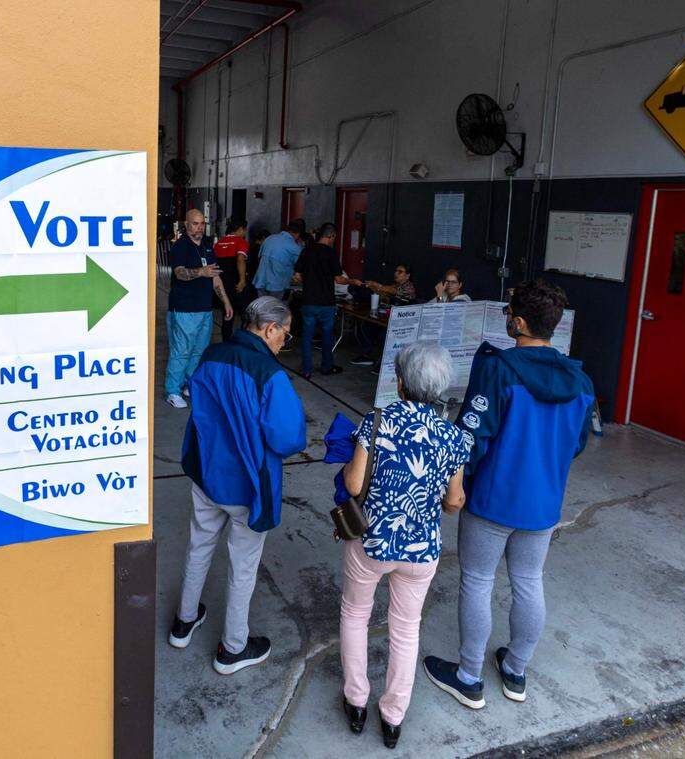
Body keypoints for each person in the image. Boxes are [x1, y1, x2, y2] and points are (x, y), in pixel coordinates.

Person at [423, 280, 594, 710]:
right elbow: (577, 445)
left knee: (478, 581)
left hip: (493, 500)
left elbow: (471, 440)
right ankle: (516, 670)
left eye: (508, 315)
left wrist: (454, 483)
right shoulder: (582, 381)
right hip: (543, 505)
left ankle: (469, 677)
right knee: (529, 581)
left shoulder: (499, 370)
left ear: (517, 322)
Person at [339, 341, 471, 749]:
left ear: (399, 383)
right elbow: (454, 501)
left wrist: (346, 462)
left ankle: (356, 700)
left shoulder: (376, 423)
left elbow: (354, 485)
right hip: (421, 550)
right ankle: (393, 716)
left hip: (371, 542)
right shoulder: (453, 437)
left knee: (355, 614)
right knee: (405, 629)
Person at [170, 297, 307, 675]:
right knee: (242, 566)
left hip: (205, 470)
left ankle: (183, 622)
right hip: (247, 484)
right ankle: (232, 649)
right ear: (269, 328)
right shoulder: (269, 373)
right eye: (285, 333)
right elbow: (288, 438)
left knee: (199, 544)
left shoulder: (212, 354)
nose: (285, 341)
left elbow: (198, 406)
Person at [165, 209, 233, 409]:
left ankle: (189, 384)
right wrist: (200, 271)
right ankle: (172, 391)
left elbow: (215, 276)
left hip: (205, 308)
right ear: (186, 225)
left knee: (198, 351)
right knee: (181, 352)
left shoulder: (207, 247)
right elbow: (179, 273)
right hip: (184, 308)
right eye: (195, 223)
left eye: (202, 223)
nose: (199, 227)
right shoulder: (180, 247)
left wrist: (226, 302)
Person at [293, 222, 361, 379]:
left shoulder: (306, 251)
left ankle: (306, 370)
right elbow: (338, 279)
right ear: (331, 236)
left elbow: (297, 276)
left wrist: (306, 279)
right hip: (326, 303)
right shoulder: (331, 254)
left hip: (309, 301)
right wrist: (352, 282)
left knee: (307, 337)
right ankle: (326, 367)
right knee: (327, 336)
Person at [351, 264, 416, 367]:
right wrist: (372, 287)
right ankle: (366, 355)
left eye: (400, 272)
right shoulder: (395, 285)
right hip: (387, 317)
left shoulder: (409, 287)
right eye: (396, 271)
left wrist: (377, 285)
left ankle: (383, 364)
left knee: (385, 334)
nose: (396, 273)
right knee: (365, 324)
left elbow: (392, 291)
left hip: (401, 323)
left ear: (407, 276)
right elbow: (384, 293)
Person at [213, 218, 251, 341]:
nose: (245, 233)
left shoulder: (218, 243)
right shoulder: (241, 242)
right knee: (247, 315)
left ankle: (226, 342)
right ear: (240, 229)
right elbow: (240, 259)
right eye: (244, 230)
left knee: (228, 314)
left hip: (222, 286)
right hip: (236, 285)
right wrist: (242, 280)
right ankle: (243, 342)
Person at [252, 218, 305, 298]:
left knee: (262, 308)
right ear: (297, 234)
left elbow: (259, 258)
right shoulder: (295, 247)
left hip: (260, 281)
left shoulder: (269, 239)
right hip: (277, 284)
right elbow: (300, 267)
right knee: (276, 308)